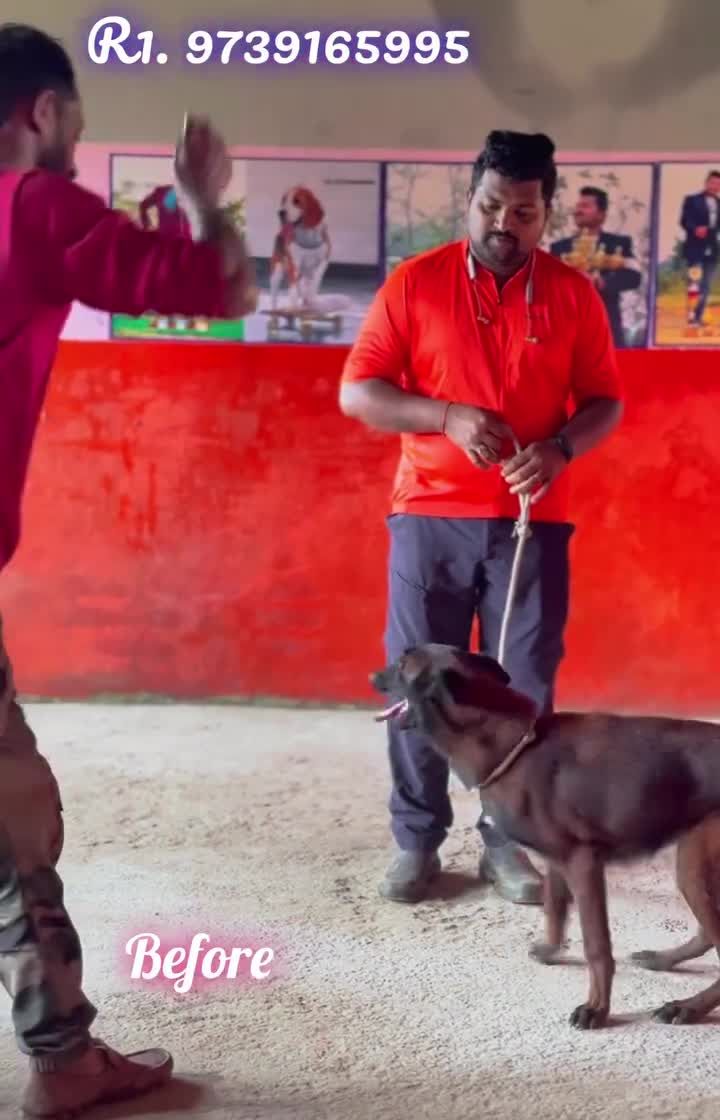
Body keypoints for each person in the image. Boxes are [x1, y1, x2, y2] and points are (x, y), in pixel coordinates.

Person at [0, 22, 257, 1119]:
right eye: (75, 120)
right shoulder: (33, 205)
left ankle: (63, 1050)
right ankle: (64, 1058)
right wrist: (203, 199)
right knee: (14, 818)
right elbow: (223, 289)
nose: (75, 138)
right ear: (42, 113)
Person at [339, 131, 623, 907]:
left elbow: (605, 401)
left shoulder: (571, 294)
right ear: (471, 200)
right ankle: (416, 840)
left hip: (534, 522)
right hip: (429, 517)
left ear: (545, 212)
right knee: (421, 685)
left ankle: (507, 840)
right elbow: (360, 392)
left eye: (523, 212)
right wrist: (445, 416)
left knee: (524, 691)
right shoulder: (415, 283)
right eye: (492, 205)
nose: (505, 223)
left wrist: (561, 449)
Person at [550, 186, 643, 347]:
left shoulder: (618, 244)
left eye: (585, 206)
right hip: (567, 325)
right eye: (578, 206)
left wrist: (602, 282)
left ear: (601, 214)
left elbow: (634, 277)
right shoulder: (559, 248)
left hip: (606, 323)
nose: (578, 211)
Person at [679, 170, 720, 327]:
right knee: (694, 283)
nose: (715, 186)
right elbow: (684, 220)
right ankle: (691, 318)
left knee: (706, 285)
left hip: (712, 250)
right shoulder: (692, 200)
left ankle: (698, 317)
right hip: (695, 248)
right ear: (706, 182)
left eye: (718, 184)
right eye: (712, 182)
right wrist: (695, 229)